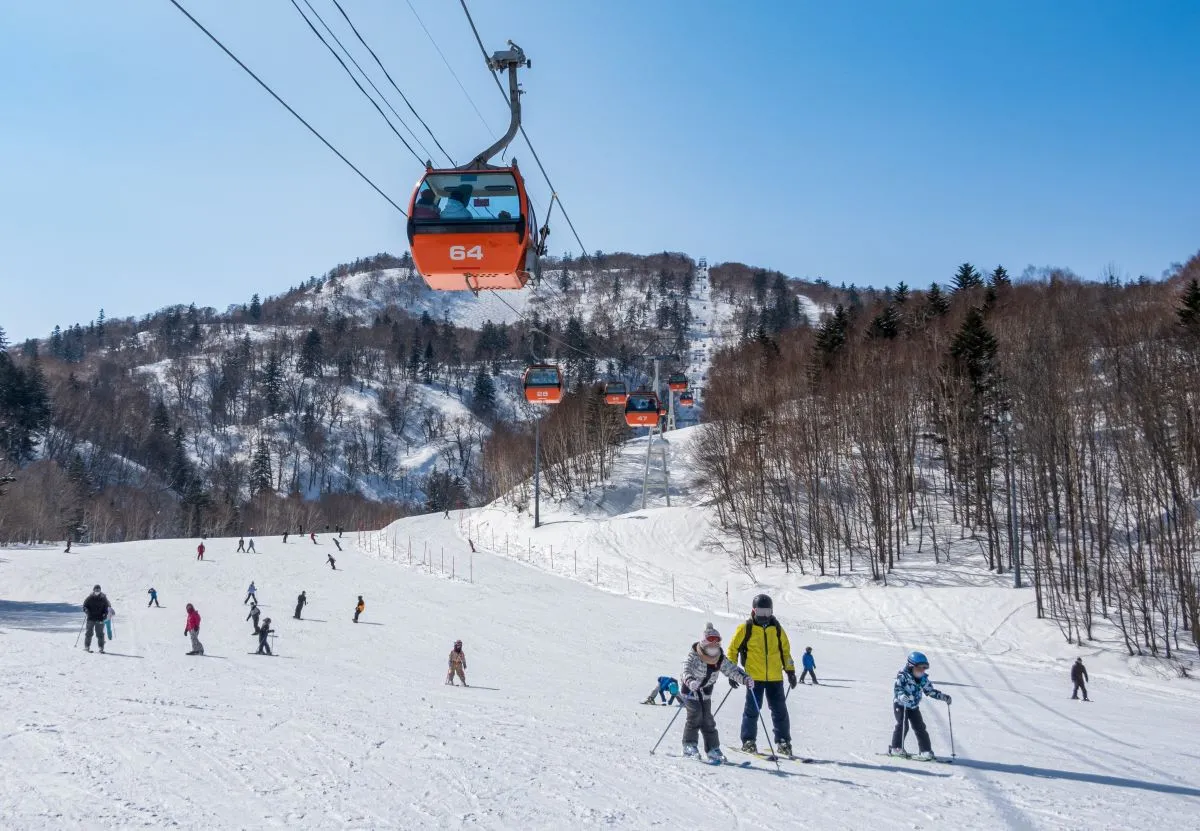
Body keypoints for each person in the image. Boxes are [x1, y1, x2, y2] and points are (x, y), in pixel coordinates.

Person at [727, 594, 796, 756]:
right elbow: (732, 649)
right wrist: (732, 672)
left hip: (775, 677)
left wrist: (790, 671)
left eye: (767, 611)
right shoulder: (746, 628)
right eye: (760, 611)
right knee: (752, 710)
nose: (764, 615)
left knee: (780, 711)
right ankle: (748, 741)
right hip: (754, 677)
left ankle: (783, 742)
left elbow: (785, 652)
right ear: (754, 610)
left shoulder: (777, 629)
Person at [680, 623, 751, 764]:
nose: (713, 650)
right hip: (690, 690)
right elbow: (685, 670)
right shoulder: (694, 655)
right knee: (695, 715)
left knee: (707, 720)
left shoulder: (719, 659)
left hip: (705, 692)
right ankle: (689, 745)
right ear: (704, 645)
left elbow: (731, 670)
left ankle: (713, 749)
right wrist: (690, 680)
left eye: (716, 647)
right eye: (710, 647)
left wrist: (745, 679)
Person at [888, 651, 950, 760]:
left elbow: (930, 691)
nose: (922, 671)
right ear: (911, 666)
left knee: (920, 727)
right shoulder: (903, 675)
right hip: (901, 704)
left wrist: (943, 697)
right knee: (902, 725)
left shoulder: (923, 679)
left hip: (913, 707)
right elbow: (898, 689)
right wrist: (902, 696)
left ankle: (925, 751)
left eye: (924, 668)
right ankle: (896, 748)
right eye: (919, 668)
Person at [82, 585, 110, 653]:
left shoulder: (103, 599)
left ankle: (101, 648)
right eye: (96, 590)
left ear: (100, 591)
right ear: (93, 590)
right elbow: (85, 606)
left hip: (100, 619)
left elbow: (106, 608)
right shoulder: (89, 598)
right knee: (89, 633)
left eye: (98, 590)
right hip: (91, 618)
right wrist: (86, 610)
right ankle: (87, 646)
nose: (97, 591)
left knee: (100, 634)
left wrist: (105, 614)